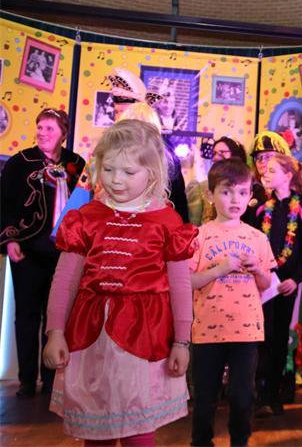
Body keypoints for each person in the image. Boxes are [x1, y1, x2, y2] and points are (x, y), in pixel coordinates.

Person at [42, 119, 197, 445]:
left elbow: (181, 288)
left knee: (138, 432)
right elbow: (65, 280)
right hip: (90, 341)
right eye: (109, 169)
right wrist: (55, 331)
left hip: (145, 341)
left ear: (152, 173)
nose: (116, 180)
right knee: (95, 430)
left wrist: (182, 342)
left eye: (128, 172)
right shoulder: (85, 218)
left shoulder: (167, 222)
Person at [189, 158, 275, 447]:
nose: (235, 199)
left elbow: (266, 284)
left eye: (242, 192)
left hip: (246, 331)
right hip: (207, 331)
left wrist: (258, 269)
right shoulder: (198, 237)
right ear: (210, 195)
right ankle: (201, 442)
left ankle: (240, 441)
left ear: (250, 195)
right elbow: (188, 282)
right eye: (226, 192)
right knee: (205, 397)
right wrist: (219, 270)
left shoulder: (257, 238)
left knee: (242, 396)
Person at [0, 109, 85, 398]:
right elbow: (5, 204)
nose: (42, 132)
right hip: (28, 250)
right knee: (26, 314)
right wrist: (10, 240)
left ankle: (51, 379)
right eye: (40, 127)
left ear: (64, 133)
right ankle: (26, 380)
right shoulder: (20, 163)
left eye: (50, 128)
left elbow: (85, 205)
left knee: (56, 317)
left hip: (64, 254)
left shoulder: (76, 164)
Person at [245, 154, 302, 417]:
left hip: (285, 285)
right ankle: (258, 393)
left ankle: (274, 394)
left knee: (279, 338)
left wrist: (295, 279)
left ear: (288, 176)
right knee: (261, 336)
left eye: (272, 170)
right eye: (264, 170)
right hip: (262, 282)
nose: (265, 173)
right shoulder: (260, 208)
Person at [109, 68, 189, 223]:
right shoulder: (109, 148)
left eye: (123, 113)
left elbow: (177, 201)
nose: (118, 119)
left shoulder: (164, 152)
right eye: (116, 113)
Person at [186, 136, 247, 225]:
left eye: (222, 152)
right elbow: (194, 225)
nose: (216, 157)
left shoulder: (247, 186)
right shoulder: (201, 187)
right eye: (214, 153)